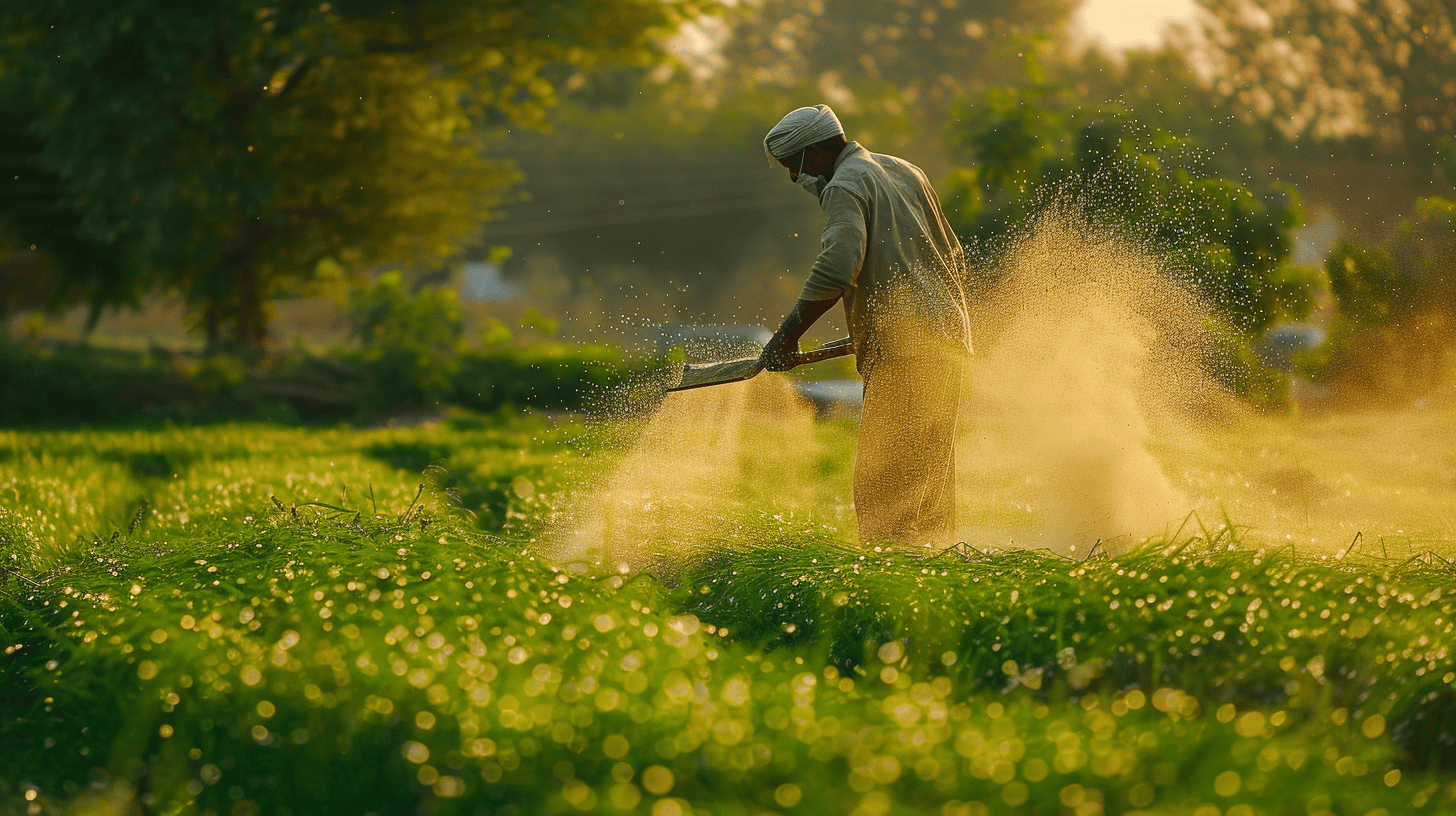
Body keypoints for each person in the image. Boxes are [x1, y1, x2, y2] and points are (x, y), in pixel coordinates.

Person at [759, 104, 972, 548]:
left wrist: (787, 336)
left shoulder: (844, 185)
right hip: (946, 343)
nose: (793, 178)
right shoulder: (904, 170)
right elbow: (953, 254)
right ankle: (935, 569)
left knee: (884, 484)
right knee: (929, 478)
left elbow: (838, 265)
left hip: (906, 352)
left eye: (792, 167)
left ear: (815, 151)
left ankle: (889, 577)